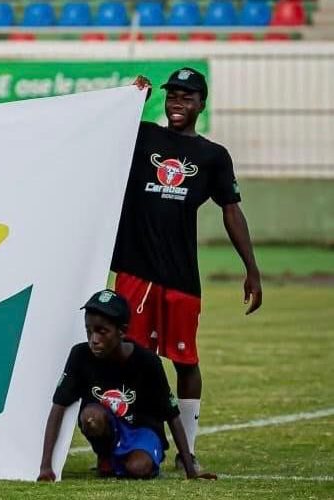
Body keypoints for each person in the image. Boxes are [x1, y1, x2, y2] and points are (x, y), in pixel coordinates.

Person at [112, 68, 263, 470]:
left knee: (185, 360)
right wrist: (132, 101)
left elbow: (231, 211)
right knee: (128, 358)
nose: (177, 103)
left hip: (180, 276)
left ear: (201, 105)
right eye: (172, 96)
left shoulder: (213, 156)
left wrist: (252, 269)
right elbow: (105, 129)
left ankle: (187, 450)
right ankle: (126, 444)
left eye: (187, 98)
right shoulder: (143, 136)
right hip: (136, 270)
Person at [37, 289, 216, 481]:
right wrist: (45, 467)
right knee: (91, 417)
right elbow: (59, 406)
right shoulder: (80, 356)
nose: (94, 340)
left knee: (138, 468)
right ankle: (106, 456)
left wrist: (191, 472)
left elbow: (173, 416)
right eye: (89, 330)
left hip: (143, 430)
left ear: (122, 331)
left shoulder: (148, 362)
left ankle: (131, 459)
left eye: (102, 332)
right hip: (108, 426)